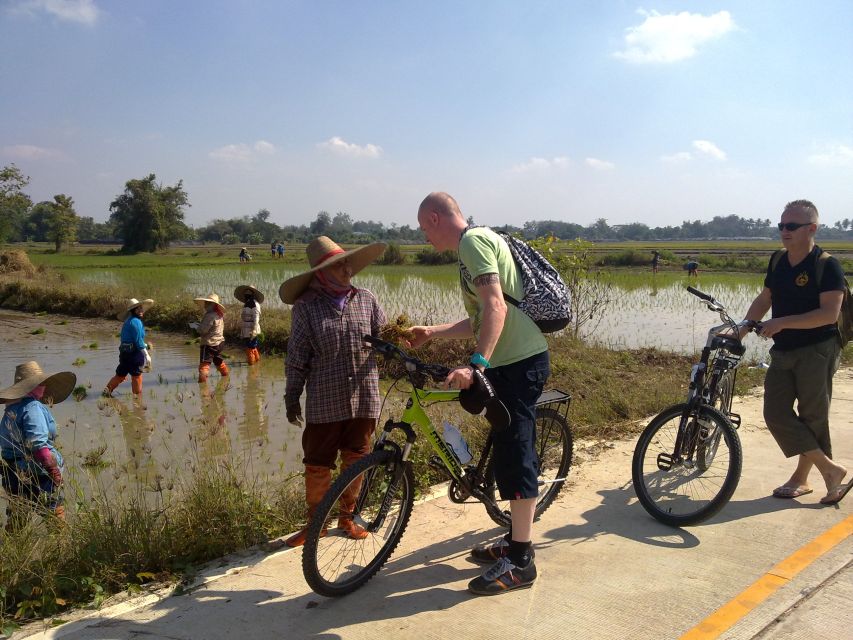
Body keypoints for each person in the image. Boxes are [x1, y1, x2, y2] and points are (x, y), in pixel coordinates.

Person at [409, 192, 550, 596]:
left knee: (516, 451)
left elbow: (496, 308)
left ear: (435, 218)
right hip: (511, 361)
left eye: (423, 229)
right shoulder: (475, 245)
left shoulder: (472, 243)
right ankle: (513, 540)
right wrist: (433, 332)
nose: (424, 238)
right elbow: (481, 316)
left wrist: (477, 366)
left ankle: (521, 560)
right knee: (505, 447)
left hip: (520, 362)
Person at [741, 199, 850, 504]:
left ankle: (803, 478)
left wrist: (781, 322)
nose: (784, 231)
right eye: (781, 225)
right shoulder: (778, 260)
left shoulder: (827, 265)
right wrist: (744, 326)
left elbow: (829, 314)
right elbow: (766, 298)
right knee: (774, 413)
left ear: (811, 228)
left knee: (813, 416)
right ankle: (830, 469)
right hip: (784, 349)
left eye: (791, 226)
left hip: (818, 350)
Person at [281, 235, 387, 547]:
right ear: (321, 273)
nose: (346, 268)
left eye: (346, 262)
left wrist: (401, 340)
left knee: (356, 459)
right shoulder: (307, 308)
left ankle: (347, 517)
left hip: (364, 395)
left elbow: (383, 338)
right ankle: (316, 525)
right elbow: (297, 357)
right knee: (318, 463)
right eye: (337, 265)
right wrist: (291, 396)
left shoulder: (366, 299)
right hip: (325, 399)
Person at [1, 361, 75, 529]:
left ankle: (13, 551)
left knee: (18, 517)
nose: (43, 386)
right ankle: (60, 550)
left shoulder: (9, 411)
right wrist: (53, 470)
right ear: (32, 387)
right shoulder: (33, 407)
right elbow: (38, 444)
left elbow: (6, 448)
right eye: (40, 383)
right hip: (38, 473)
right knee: (55, 516)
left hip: (13, 473)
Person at [104, 298, 154, 397]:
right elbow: (138, 341)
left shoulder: (128, 321)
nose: (141, 311)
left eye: (141, 308)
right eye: (138, 309)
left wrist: (145, 346)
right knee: (136, 376)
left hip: (124, 354)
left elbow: (130, 340)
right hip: (134, 355)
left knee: (120, 375)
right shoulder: (136, 322)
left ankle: (106, 392)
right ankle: (137, 399)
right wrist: (147, 355)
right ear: (133, 311)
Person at [193, 293, 229, 383]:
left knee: (204, 365)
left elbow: (203, 330)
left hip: (209, 344)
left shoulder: (209, 315)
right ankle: (226, 376)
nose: (205, 305)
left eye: (208, 303)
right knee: (218, 362)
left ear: (213, 305)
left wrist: (195, 327)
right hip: (220, 343)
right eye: (206, 303)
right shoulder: (219, 315)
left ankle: (202, 386)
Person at [234, 285, 263, 365]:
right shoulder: (247, 303)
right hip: (246, 327)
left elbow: (256, 317)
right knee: (252, 345)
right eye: (246, 294)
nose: (246, 295)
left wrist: (254, 329)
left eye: (248, 294)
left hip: (252, 327)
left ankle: (251, 364)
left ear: (252, 294)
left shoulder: (255, 304)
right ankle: (256, 361)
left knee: (250, 346)